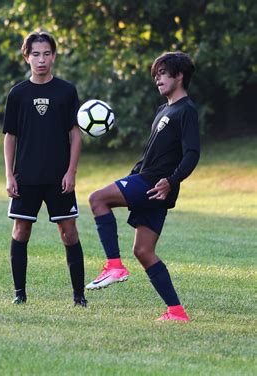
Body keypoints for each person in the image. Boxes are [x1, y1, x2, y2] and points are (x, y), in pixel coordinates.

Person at [87, 51, 200, 321]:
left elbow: (192, 153)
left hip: (155, 183)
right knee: (144, 251)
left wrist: (171, 182)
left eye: (163, 73)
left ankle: (114, 266)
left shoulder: (186, 111)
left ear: (179, 75)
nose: (157, 79)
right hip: (147, 181)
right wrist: (133, 173)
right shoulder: (164, 109)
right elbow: (153, 151)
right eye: (156, 74)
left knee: (97, 199)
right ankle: (177, 311)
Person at [3, 31, 87, 307]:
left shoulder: (66, 91)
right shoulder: (17, 94)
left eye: (46, 54)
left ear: (54, 56)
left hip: (58, 177)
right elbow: (10, 136)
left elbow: (75, 134)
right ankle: (19, 294)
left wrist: (71, 171)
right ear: (26, 56)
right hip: (26, 176)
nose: (41, 60)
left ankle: (79, 297)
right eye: (36, 54)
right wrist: (9, 174)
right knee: (20, 231)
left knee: (69, 232)